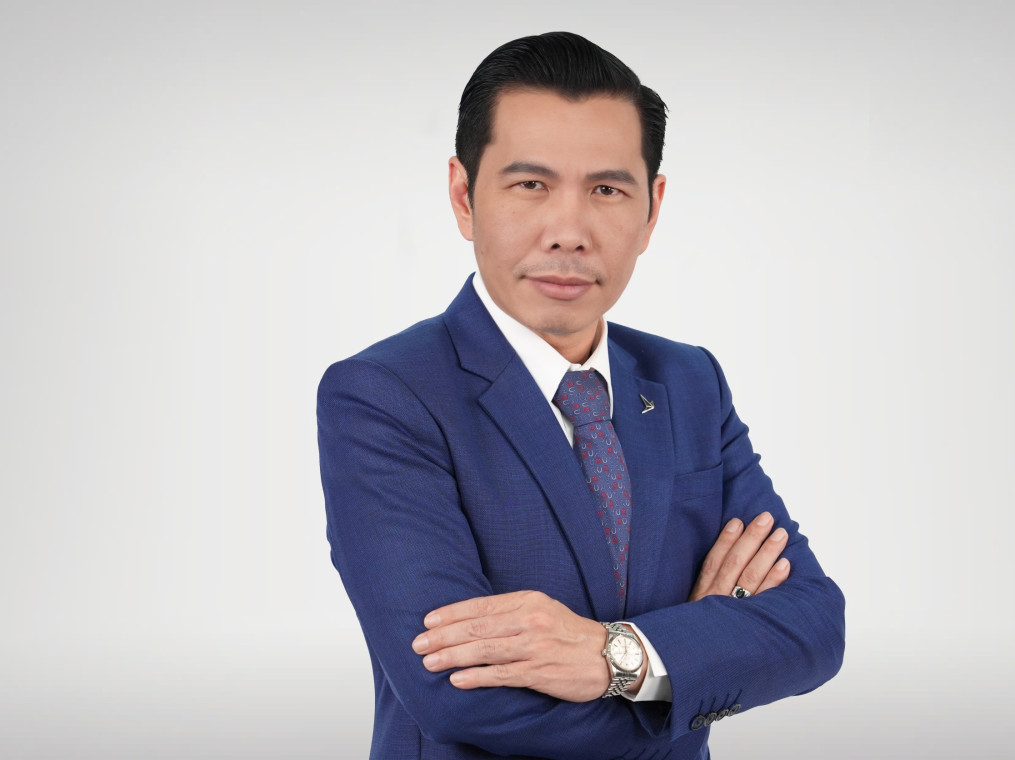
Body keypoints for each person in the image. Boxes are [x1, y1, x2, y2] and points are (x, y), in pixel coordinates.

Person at [317, 31, 844, 760]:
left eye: (607, 190)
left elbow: (815, 625)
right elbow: (463, 700)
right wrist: (689, 663)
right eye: (530, 185)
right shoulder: (385, 396)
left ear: (652, 210)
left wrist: (612, 656)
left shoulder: (689, 381)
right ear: (464, 197)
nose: (568, 232)